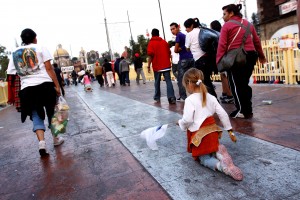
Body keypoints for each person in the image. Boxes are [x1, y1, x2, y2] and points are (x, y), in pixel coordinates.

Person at [177, 68, 243, 181]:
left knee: (204, 159)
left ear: (189, 84)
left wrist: (180, 123)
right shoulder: (211, 97)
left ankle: (222, 167)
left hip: (201, 136)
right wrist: (230, 130)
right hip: (213, 132)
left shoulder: (190, 100)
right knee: (211, 149)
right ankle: (218, 151)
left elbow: (187, 120)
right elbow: (222, 114)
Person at [7, 28, 64, 157]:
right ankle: (55, 139)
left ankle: (42, 143)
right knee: (51, 113)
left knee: (35, 114)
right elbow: (49, 69)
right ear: (34, 38)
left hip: (27, 89)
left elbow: (11, 73)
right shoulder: (41, 47)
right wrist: (57, 86)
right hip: (45, 85)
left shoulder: (14, 53)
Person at [217, 4, 266, 118]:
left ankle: (242, 110)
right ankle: (247, 109)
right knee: (244, 84)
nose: (223, 17)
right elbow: (257, 41)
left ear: (231, 13)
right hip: (251, 56)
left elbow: (222, 45)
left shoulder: (227, 26)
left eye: (224, 14)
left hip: (237, 57)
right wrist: (261, 56)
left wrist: (219, 61)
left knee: (236, 85)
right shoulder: (249, 24)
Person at [184, 18, 218, 98]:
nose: (186, 29)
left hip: (199, 60)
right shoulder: (203, 30)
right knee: (207, 80)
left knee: (204, 81)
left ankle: (213, 100)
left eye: (187, 27)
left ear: (192, 26)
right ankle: (210, 98)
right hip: (209, 58)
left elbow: (187, 48)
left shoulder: (189, 34)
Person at [147, 28, 176, 104]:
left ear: (152, 34)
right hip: (166, 65)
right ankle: (171, 97)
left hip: (157, 66)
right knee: (168, 81)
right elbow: (169, 53)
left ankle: (157, 97)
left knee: (157, 82)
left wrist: (148, 65)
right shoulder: (164, 42)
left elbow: (150, 55)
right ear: (158, 34)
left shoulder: (151, 43)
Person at [210, 20, 233, 104]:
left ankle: (230, 95)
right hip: (225, 57)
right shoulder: (221, 33)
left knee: (224, 76)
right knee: (223, 76)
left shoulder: (217, 35)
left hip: (222, 58)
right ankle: (225, 93)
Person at [170, 22, 195, 102]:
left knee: (181, 79)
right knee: (192, 78)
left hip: (184, 59)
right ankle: (195, 94)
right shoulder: (185, 35)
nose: (172, 31)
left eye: (173, 28)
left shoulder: (178, 36)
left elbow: (175, 50)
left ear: (178, 28)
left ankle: (183, 97)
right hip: (191, 58)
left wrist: (180, 48)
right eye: (171, 30)